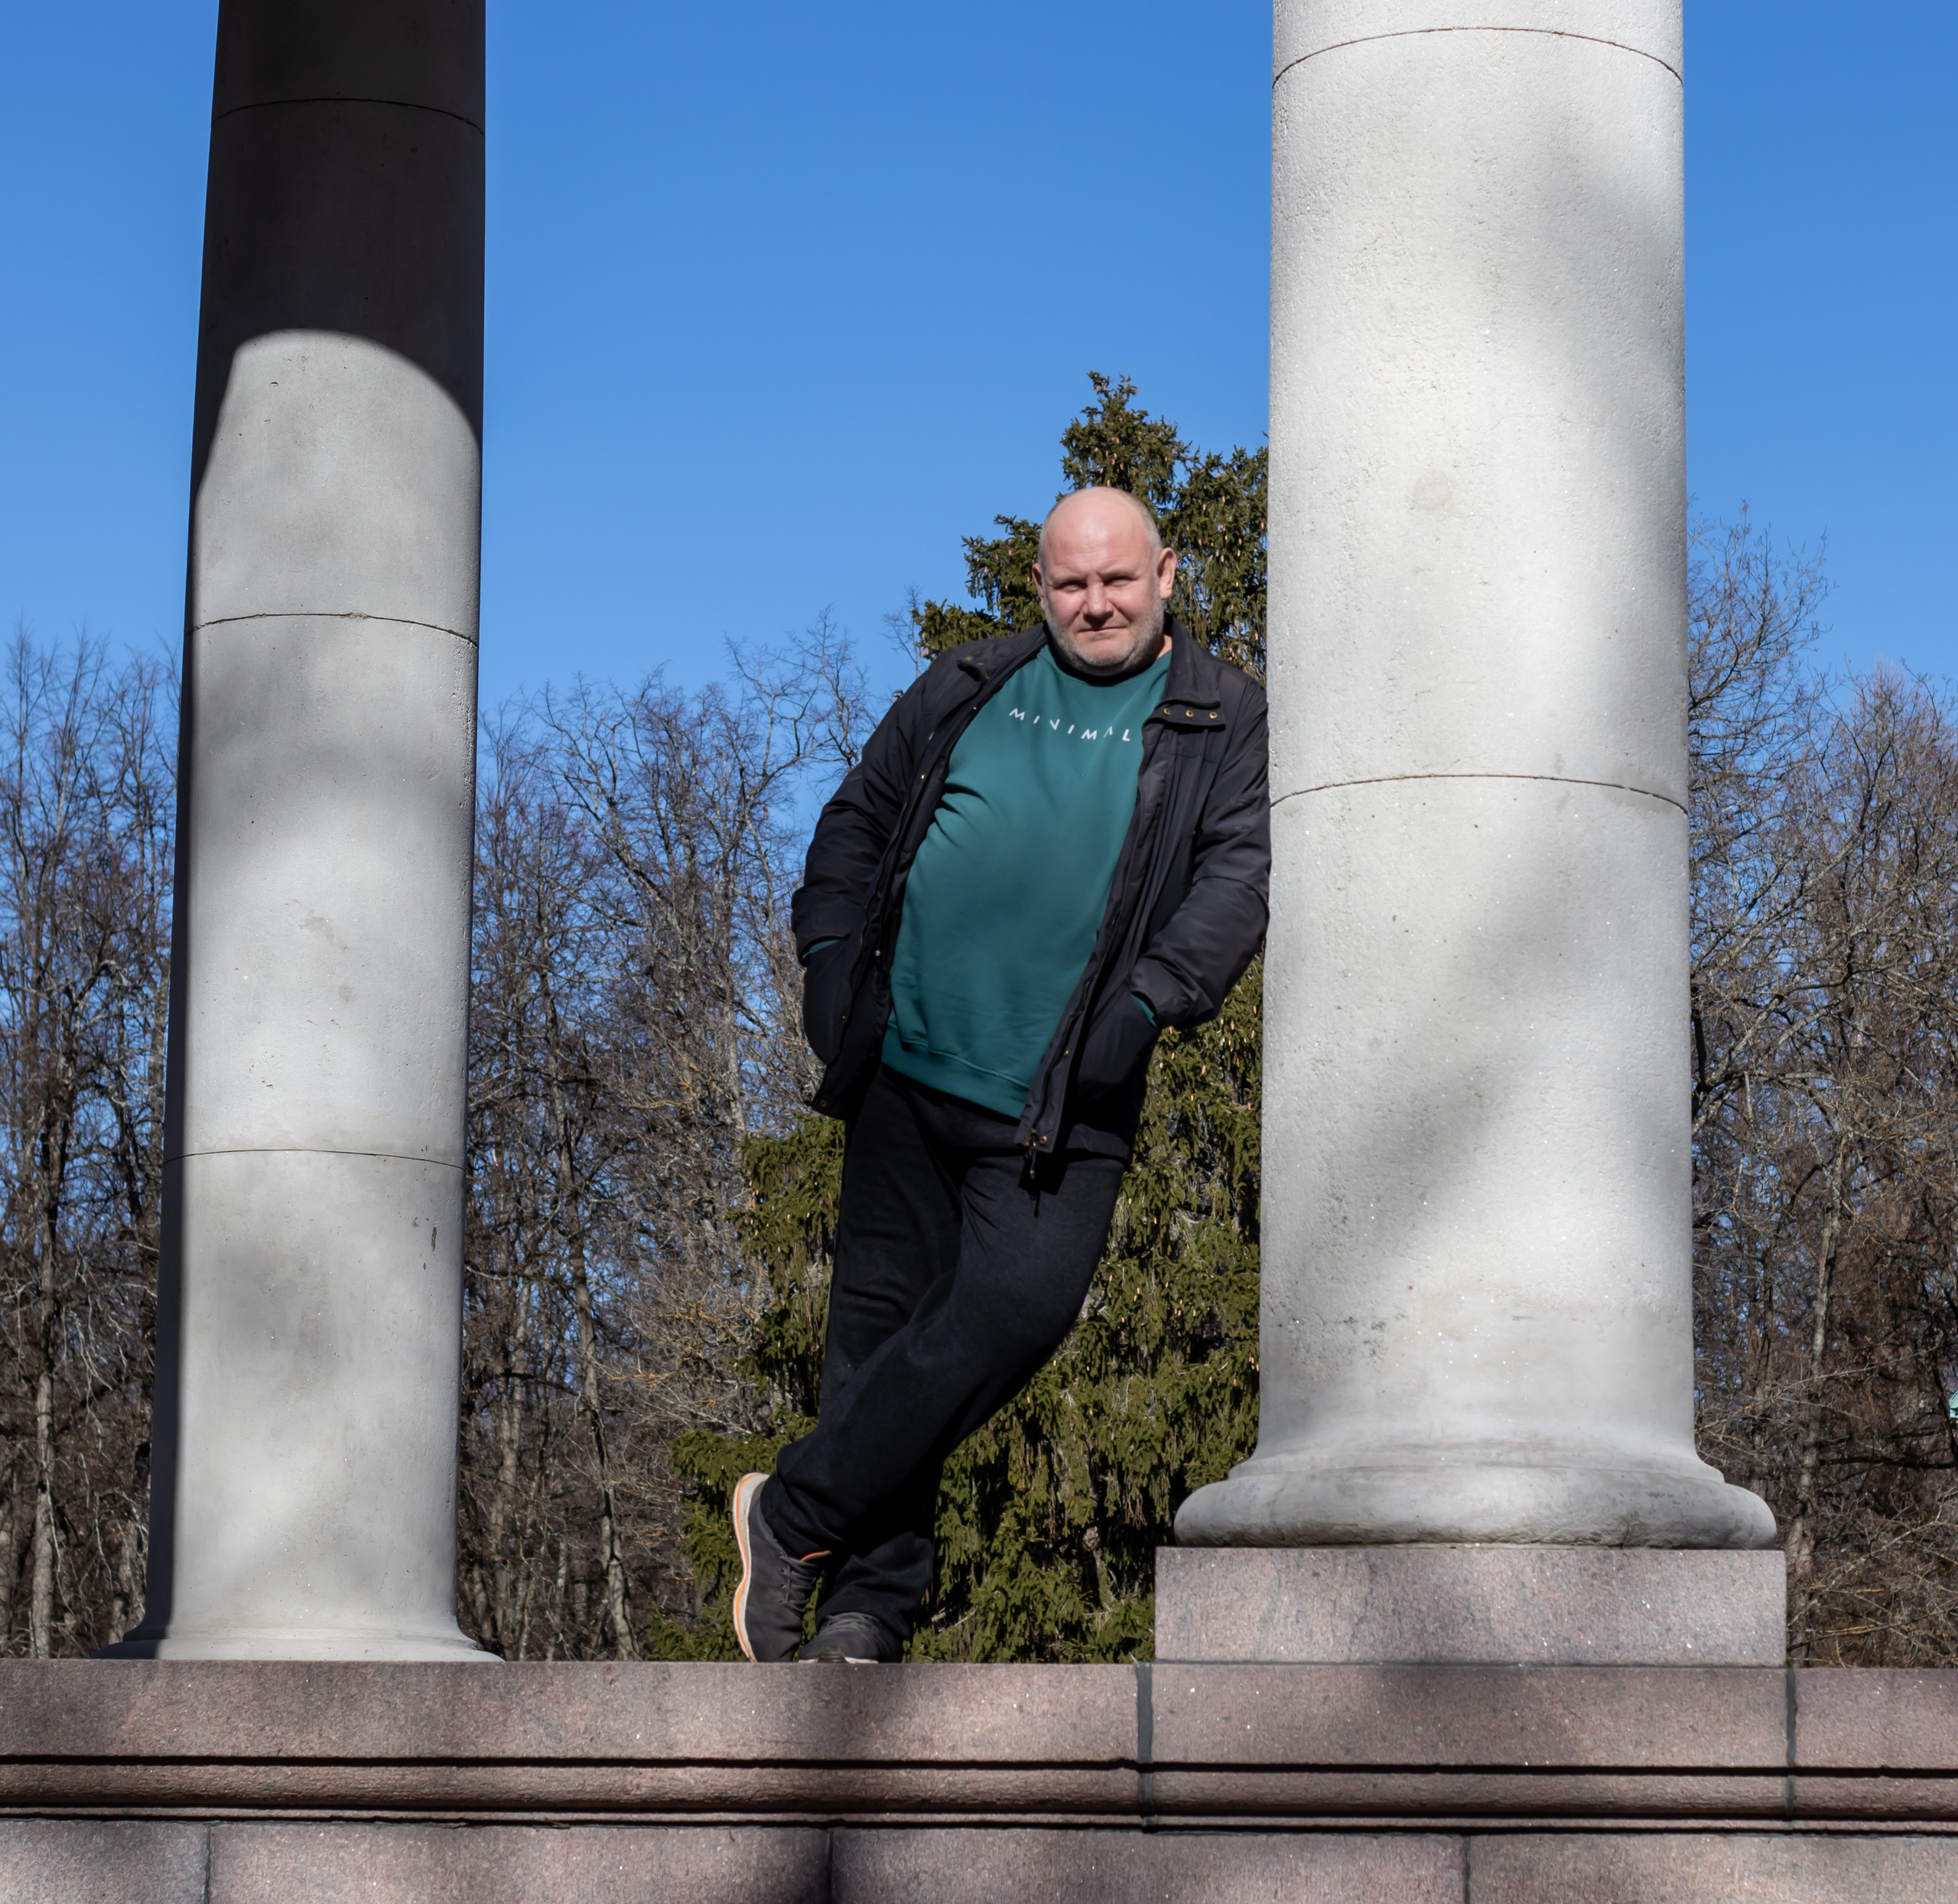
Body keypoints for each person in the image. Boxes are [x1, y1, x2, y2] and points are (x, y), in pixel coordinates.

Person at [731, 485, 1270, 1663]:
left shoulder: (1222, 717)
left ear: (1167, 574)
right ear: (1040, 587)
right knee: (878, 1353)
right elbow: (856, 823)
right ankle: (866, 1612)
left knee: (1016, 1311)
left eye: (1118, 580)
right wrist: (829, 961)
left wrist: (1149, 1002)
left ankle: (791, 1512)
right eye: (1071, 583)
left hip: (1060, 1099)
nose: (1096, 604)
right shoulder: (965, 686)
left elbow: (1237, 881)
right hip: (904, 1071)